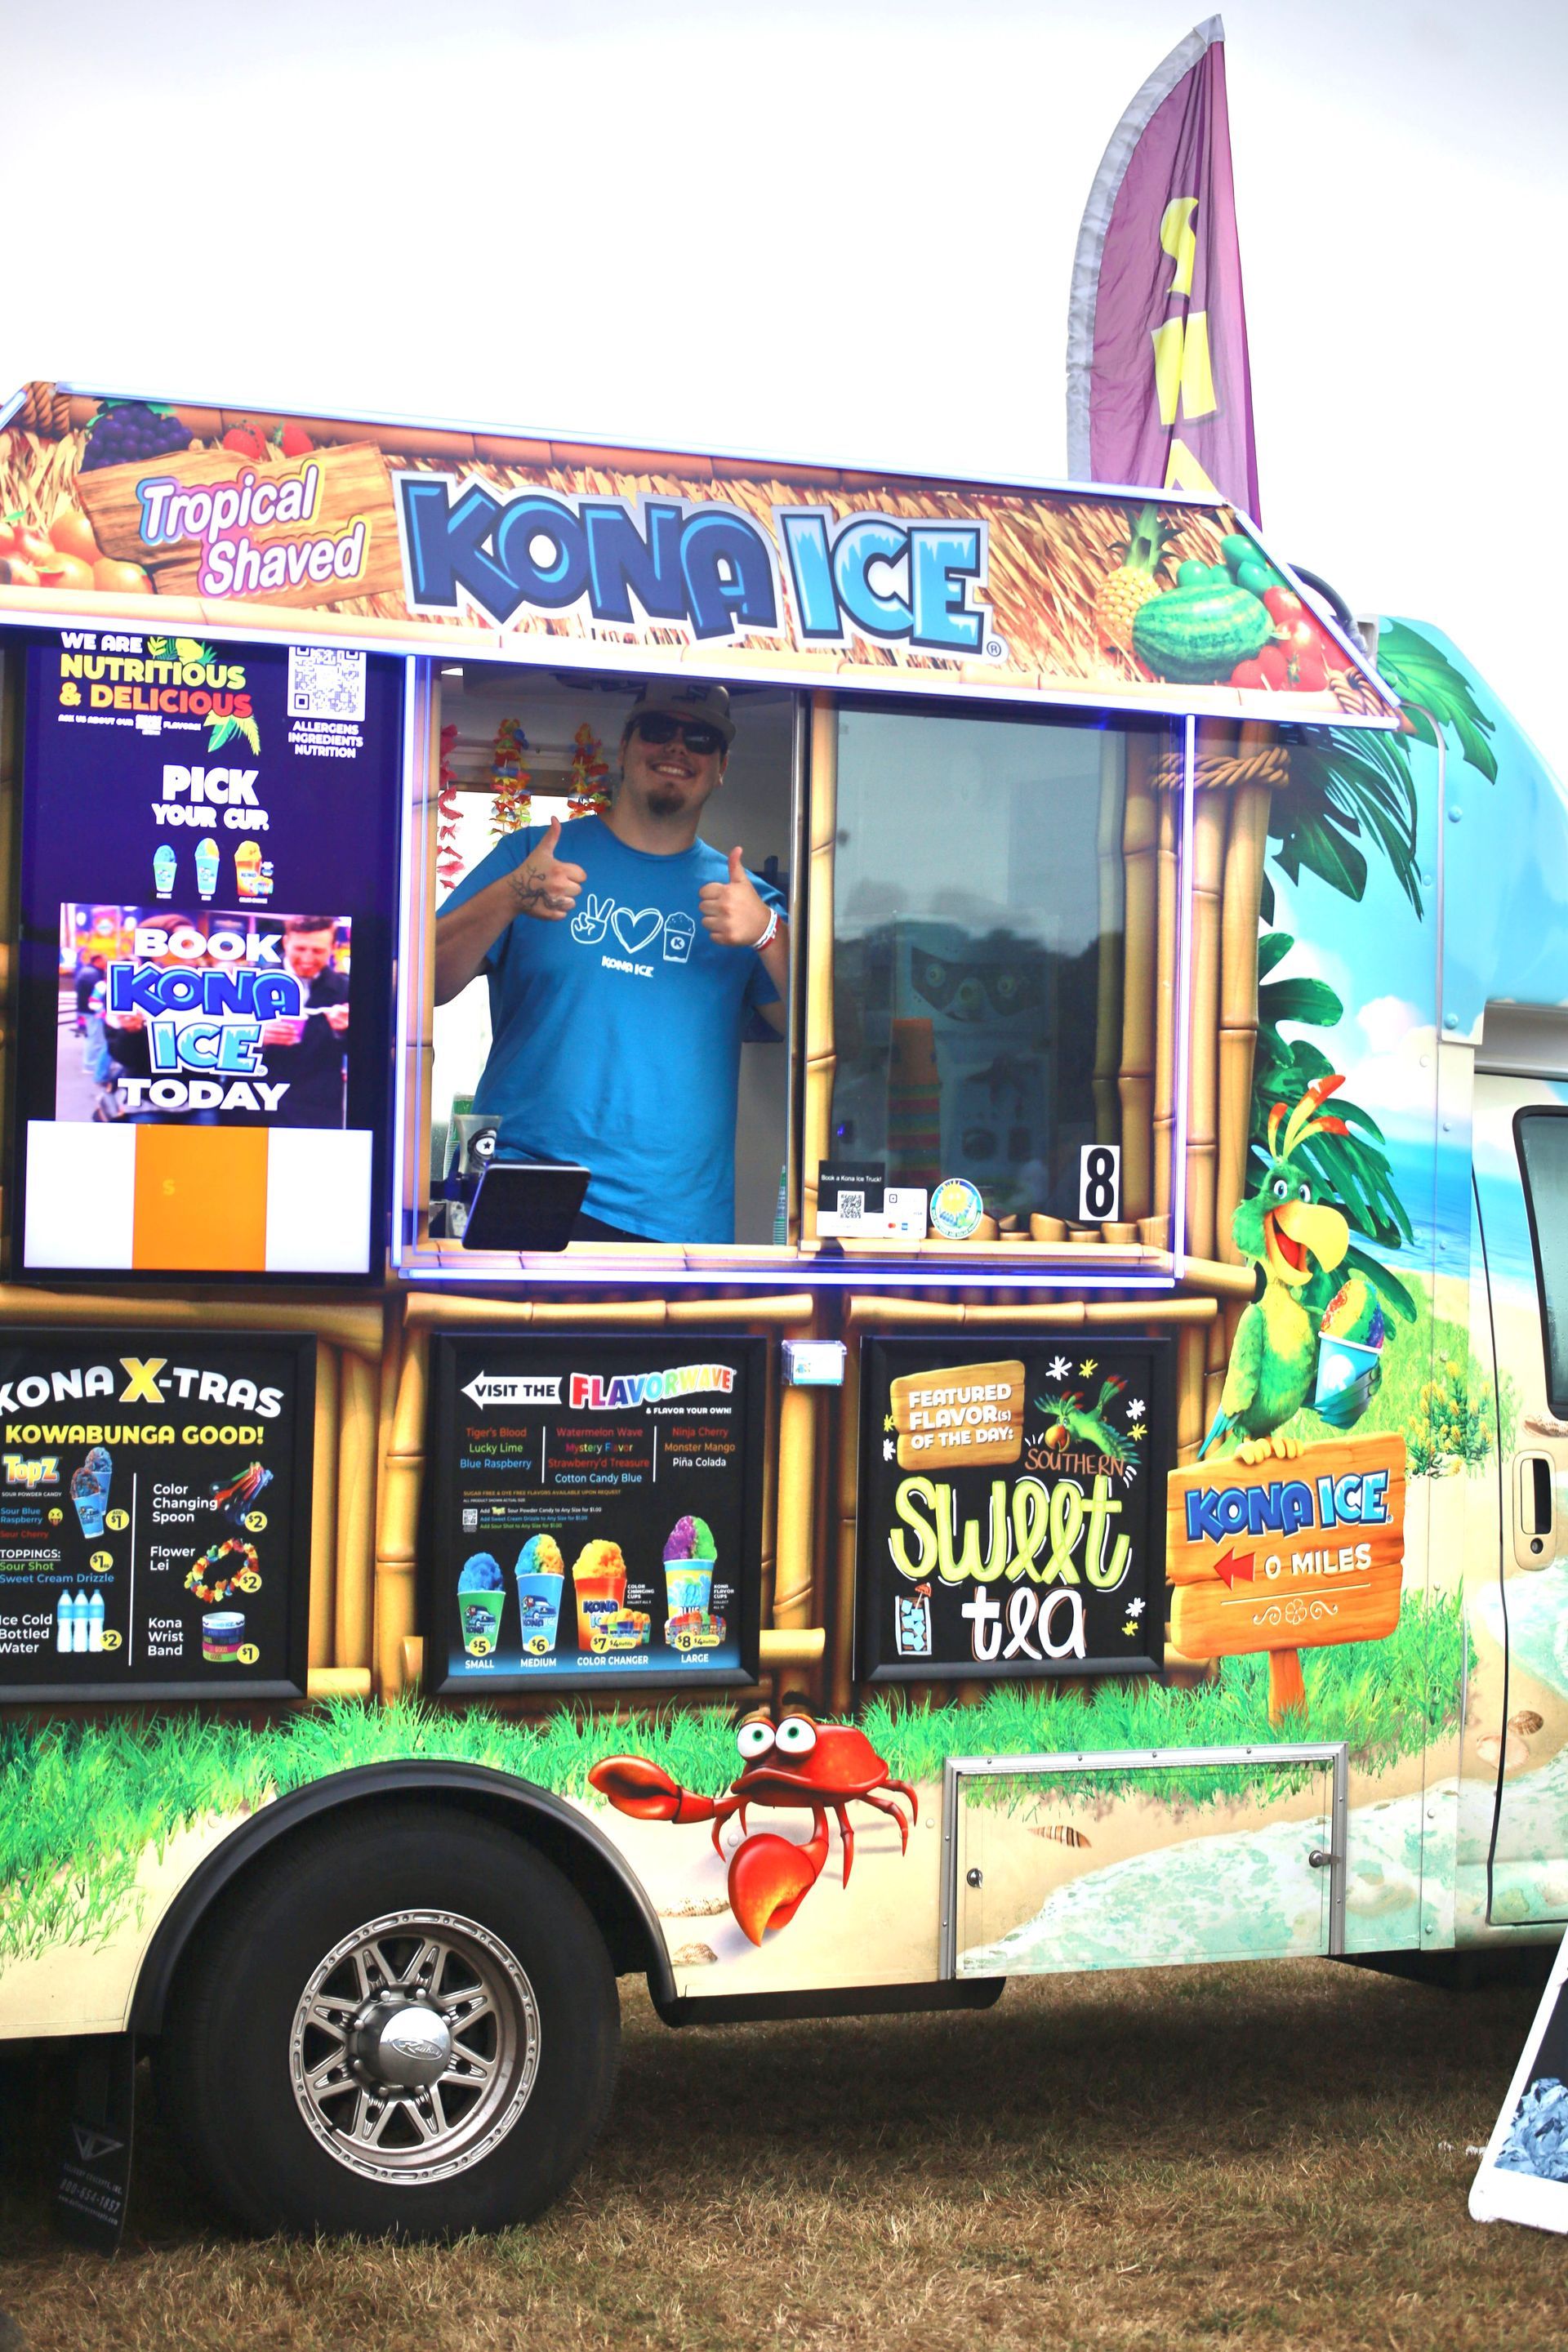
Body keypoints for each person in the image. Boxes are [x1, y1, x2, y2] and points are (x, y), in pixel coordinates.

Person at [434, 680, 786, 1245]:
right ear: (623, 747)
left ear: (720, 767)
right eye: (658, 730)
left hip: (674, 1215)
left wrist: (768, 933)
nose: (677, 748)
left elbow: (819, 1040)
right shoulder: (527, 859)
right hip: (524, 1183)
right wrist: (508, 897)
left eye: (699, 738)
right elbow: (422, 985)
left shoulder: (750, 900)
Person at [255, 915, 350, 1126]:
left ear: (333, 947)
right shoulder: (251, 982)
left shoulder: (348, 989)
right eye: (300, 948)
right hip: (255, 1105)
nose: (307, 958)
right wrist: (255, 1036)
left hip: (317, 1110)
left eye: (317, 951)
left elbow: (370, 1055)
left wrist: (348, 1029)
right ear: (286, 942)